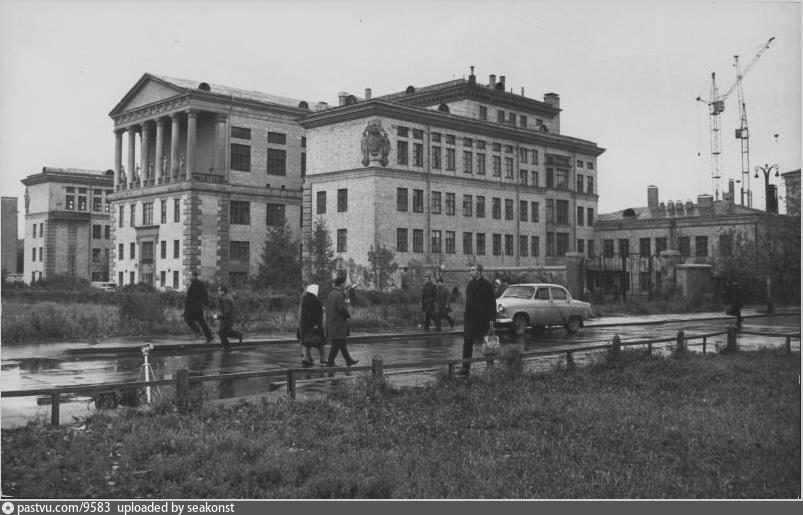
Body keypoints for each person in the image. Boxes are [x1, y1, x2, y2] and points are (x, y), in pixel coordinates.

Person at [458, 264, 496, 376]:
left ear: (479, 272)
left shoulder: (487, 285)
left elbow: (491, 303)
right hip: (470, 319)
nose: (471, 272)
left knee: (488, 343)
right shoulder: (470, 284)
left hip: (483, 319)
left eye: (473, 270)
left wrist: (492, 318)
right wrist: (465, 317)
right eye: (470, 270)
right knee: (467, 343)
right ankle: (465, 367)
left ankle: (490, 366)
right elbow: (468, 302)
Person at [325, 275, 358, 367]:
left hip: (332, 322)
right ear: (341, 284)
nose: (345, 284)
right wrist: (347, 315)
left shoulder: (332, 293)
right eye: (344, 283)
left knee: (341, 342)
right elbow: (341, 308)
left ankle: (348, 360)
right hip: (338, 323)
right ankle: (330, 362)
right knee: (337, 343)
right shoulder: (338, 295)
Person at [297, 284, 327, 367]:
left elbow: (302, 314)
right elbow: (316, 315)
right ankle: (322, 358)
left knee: (307, 342)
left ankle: (307, 357)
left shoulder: (304, 300)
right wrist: (316, 325)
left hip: (304, 325)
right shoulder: (314, 300)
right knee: (320, 341)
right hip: (314, 325)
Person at [184, 270, 214, 343]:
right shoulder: (191, 283)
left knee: (188, 318)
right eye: (188, 275)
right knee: (200, 321)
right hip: (191, 306)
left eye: (190, 275)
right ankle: (209, 336)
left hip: (196, 307)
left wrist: (207, 305)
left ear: (194, 276)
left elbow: (204, 294)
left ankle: (198, 333)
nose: (188, 276)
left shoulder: (199, 283)